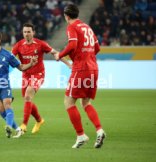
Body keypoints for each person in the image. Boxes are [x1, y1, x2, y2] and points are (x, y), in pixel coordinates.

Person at [55, 4, 106, 149]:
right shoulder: (87, 27)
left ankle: (81, 135)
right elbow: (97, 48)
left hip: (81, 69)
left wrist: (60, 55)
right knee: (86, 103)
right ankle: (99, 130)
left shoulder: (72, 27)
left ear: (66, 16)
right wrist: (86, 56)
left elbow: (72, 45)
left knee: (68, 102)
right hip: (93, 68)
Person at [12, 23, 71, 134]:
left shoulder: (40, 44)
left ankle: (24, 125)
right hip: (25, 74)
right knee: (27, 99)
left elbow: (55, 53)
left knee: (28, 94)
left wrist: (68, 64)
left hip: (38, 74)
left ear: (33, 32)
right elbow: (10, 58)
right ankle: (39, 120)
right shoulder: (19, 45)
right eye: (24, 32)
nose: (26, 34)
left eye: (29, 31)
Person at [0, 31, 37, 138]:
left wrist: (31, 64)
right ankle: (18, 129)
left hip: (4, 85)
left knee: (7, 104)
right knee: (0, 109)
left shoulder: (8, 55)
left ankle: (8, 126)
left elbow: (21, 67)